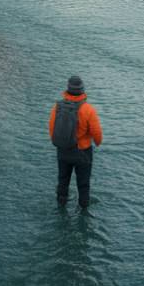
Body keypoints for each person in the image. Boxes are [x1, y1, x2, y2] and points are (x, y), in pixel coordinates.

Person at [48, 75, 103, 208]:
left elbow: (51, 128)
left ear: (68, 89)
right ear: (82, 90)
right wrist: (97, 142)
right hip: (82, 152)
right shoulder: (88, 109)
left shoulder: (58, 106)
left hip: (63, 150)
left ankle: (61, 202)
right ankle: (83, 208)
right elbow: (97, 132)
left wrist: (61, 142)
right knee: (83, 184)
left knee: (63, 180)